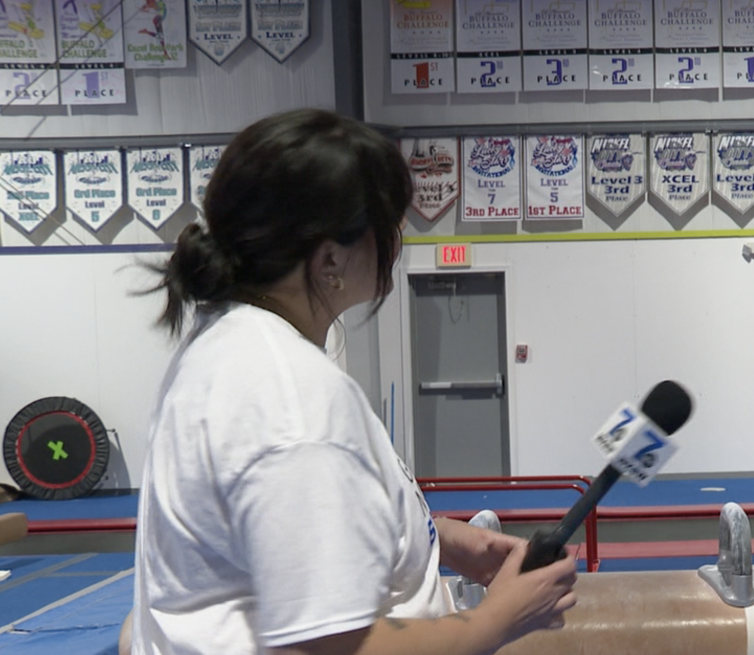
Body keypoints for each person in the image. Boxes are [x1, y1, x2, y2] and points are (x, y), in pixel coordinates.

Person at [124, 108, 577, 655]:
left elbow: (270, 533)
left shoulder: (226, 343)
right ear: (331, 258)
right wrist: (502, 617)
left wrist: (432, 539)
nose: (400, 236)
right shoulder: (293, 396)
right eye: (389, 223)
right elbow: (338, 649)